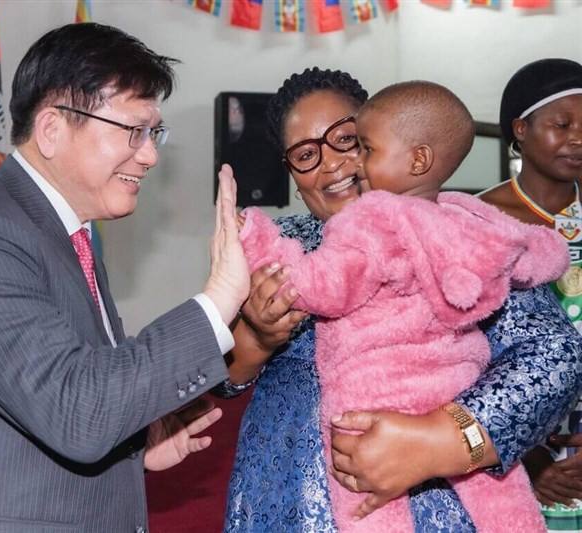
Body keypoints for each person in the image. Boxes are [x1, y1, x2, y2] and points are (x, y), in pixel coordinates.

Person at [0, 23, 249, 533]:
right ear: (51, 129)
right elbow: (78, 411)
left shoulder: (63, 231)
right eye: (132, 131)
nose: (150, 154)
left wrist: (133, 445)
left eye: (153, 133)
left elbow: (53, 391)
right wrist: (220, 297)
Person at [218, 67, 582, 533]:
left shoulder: (452, 231)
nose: (333, 164)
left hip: (432, 502)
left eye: (349, 140)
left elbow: (557, 355)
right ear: (291, 173)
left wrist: (441, 440)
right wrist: (258, 336)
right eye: (307, 154)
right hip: (280, 499)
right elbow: (220, 378)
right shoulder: (279, 246)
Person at [479, 57, 582, 533]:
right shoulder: (481, 220)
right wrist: (524, 454)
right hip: (516, 449)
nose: (578, 137)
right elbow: (467, 351)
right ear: (521, 128)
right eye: (562, 124)